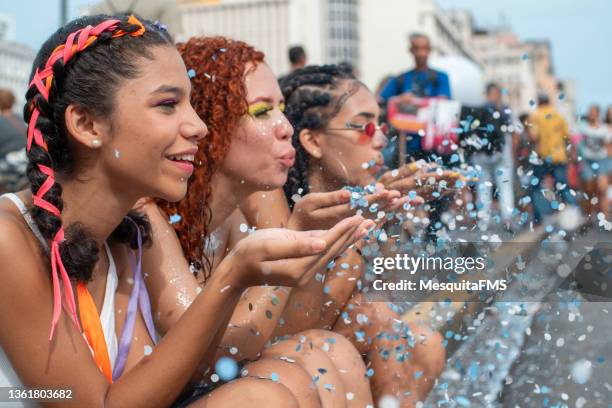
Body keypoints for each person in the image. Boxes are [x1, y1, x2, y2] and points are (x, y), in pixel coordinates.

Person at [0, 15, 364, 407]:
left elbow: (144, 387)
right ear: (87, 124)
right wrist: (233, 275)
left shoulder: (124, 236)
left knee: (281, 382)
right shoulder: (9, 238)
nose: (200, 127)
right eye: (168, 104)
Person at [139, 37, 375, 407]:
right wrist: (298, 238)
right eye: (263, 111)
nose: (285, 127)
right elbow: (219, 355)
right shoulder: (150, 214)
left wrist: (340, 239)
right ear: (211, 122)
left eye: (281, 110)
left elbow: (298, 323)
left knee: (326, 350)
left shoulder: (250, 196)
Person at [241, 65, 450, 407]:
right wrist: (366, 220)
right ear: (312, 141)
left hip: (316, 349)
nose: (380, 139)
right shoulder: (271, 196)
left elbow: (385, 292)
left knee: (420, 342)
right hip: (267, 363)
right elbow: (297, 325)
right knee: (376, 321)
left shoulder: (354, 195)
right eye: (365, 126)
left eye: (381, 126)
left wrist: (387, 215)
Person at [378, 32, 452, 163]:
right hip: (406, 147)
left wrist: (414, 102)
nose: (421, 53)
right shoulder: (400, 79)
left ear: (430, 50)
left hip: (434, 147)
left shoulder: (440, 77)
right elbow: (380, 100)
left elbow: (444, 103)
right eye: (417, 48)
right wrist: (399, 99)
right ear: (411, 50)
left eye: (424, 48)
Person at [528, 93, 579, 225]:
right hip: (559, 156)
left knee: (536, 187)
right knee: (563, 187)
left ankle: (539, 217)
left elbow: (534, 137)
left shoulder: (536, 115)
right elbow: (568, 137)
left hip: (543, 157)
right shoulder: (558, 116)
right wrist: (572, 153)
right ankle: (576, 215)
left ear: (539, 102)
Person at [470, 82, 515, 230]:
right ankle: (505, 218)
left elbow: (472, 133)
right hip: (499, 155)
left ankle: (486, 218)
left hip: (483, 155)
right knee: (504, 186)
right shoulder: (504, 109)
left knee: (484, 187)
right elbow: (512, 131)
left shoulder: (479, 110)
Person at [577, 105, 611, 219]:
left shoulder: (604, 129)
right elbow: (577, 142)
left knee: (602, 189)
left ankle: (605, 218)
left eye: (593, 111)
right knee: (589, 189)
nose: (591, 114)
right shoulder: (583, 127)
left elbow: (608, 146)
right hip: (588, 161)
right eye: (589, 111)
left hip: (602, 161)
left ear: (598, 113)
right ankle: (590, 213)